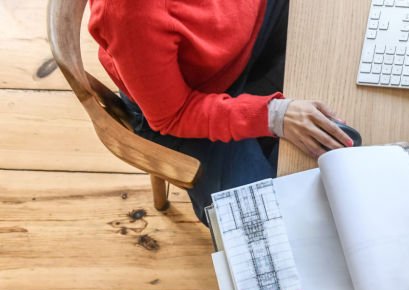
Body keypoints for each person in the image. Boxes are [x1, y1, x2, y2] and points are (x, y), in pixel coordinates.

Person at [87, 0, 354, 221]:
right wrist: (273, 115)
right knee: (257, 224)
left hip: (247, 33)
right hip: (184, 107)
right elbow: (174, 114)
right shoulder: (129, 13)